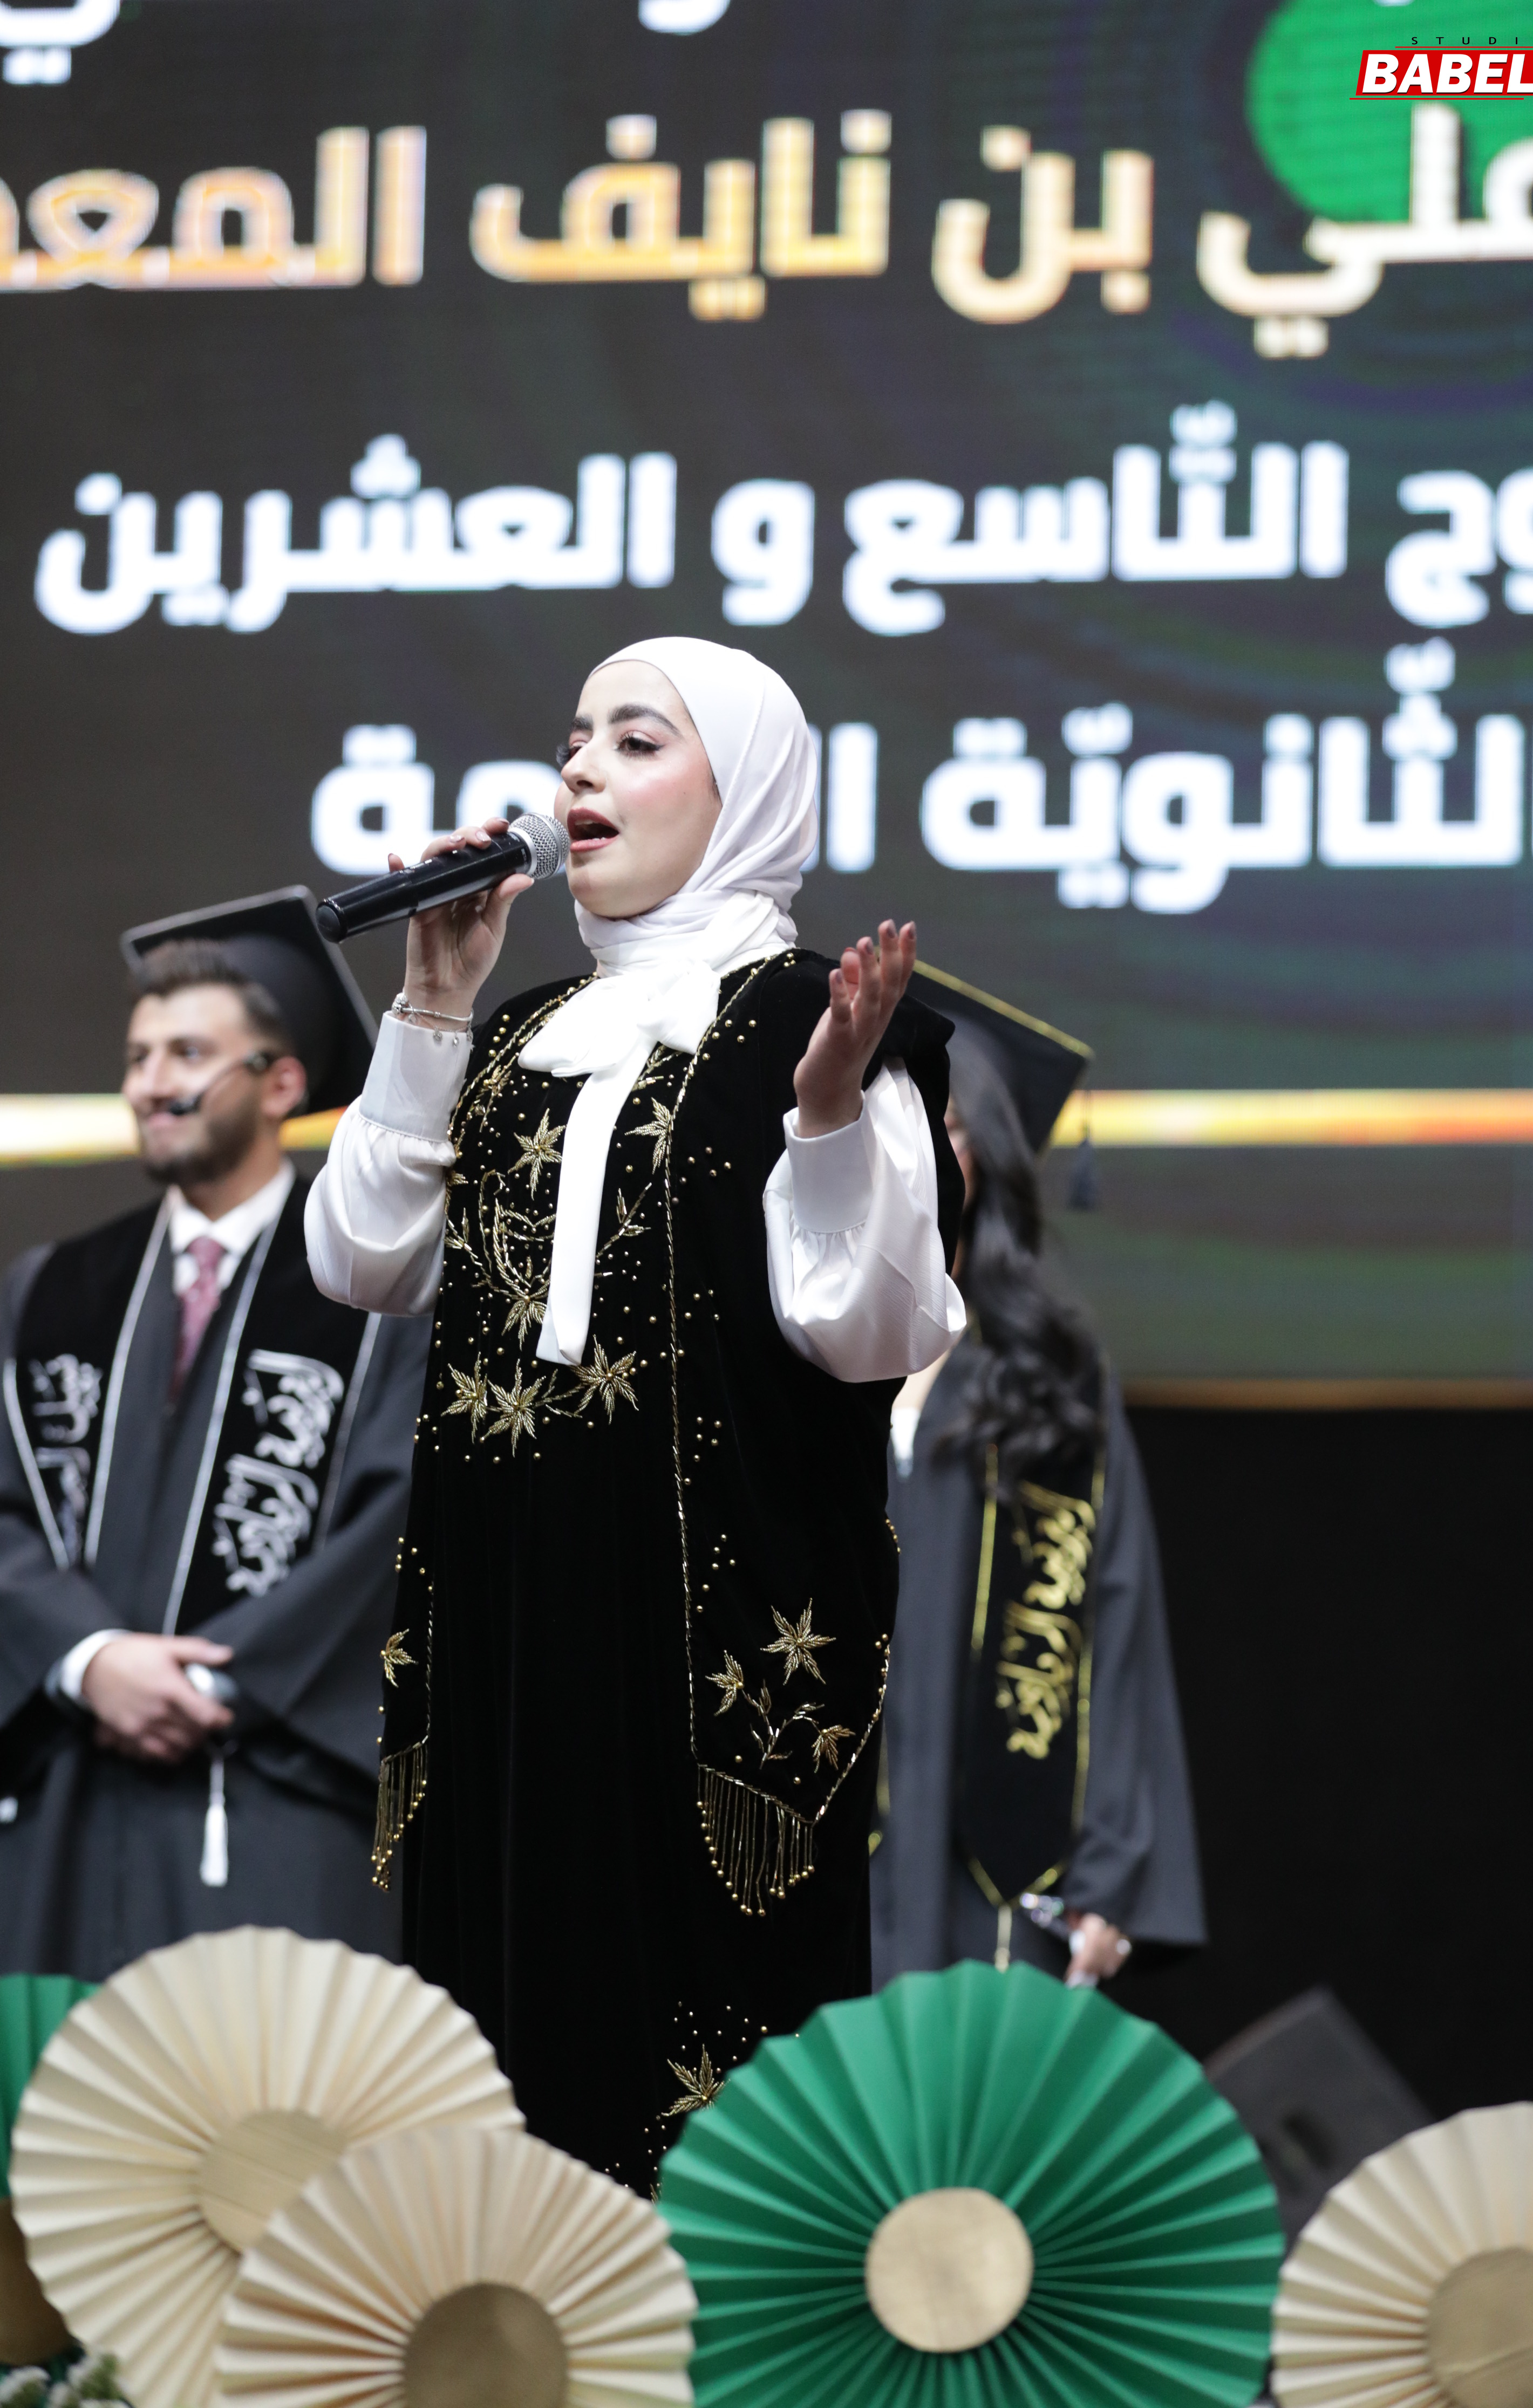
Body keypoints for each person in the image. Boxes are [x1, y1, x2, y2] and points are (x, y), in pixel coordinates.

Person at [306, 637, 965, 2192]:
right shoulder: (515, 1037)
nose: (581, 770)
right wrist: (430, 1007)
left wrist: (826, 1113)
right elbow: (361, 1261)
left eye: (638, 739)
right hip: (501, 1633)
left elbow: (869, 1327)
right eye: (575, 739)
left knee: (697, 2081)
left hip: (702, 1652)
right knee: (496, 2070)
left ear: (749, 791)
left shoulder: (827, 1021)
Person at [0, 890, 432, 1976]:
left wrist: (218, 1679)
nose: (151, 1083)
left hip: (279, 1792)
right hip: (68, 1792)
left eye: (187, 1053)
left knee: (262, 2076)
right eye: (139, 1056)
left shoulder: (376, 1293)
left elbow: (397, 1526)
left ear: (280, 1084)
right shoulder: (49, 1289)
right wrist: (92, 1660)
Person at [870, 968, 1205, 1992]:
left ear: (991, 1158)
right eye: (883, 1122)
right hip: (819, 1860)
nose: (912, 1155)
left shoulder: (1052, 1386)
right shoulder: (790, 1363)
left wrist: (1111, 1873)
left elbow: (1115, 1620)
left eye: (945, 1127)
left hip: (994, 1875)